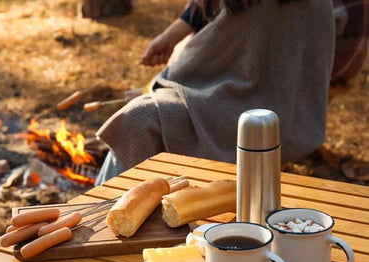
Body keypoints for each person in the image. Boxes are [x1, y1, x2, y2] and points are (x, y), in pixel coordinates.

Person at [94, 0, 335, 185]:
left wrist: (158, 92)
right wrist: (171, 35)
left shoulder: (263, 6)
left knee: (136, 121)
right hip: (278, 104)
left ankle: (93, 222)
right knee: (144, 112)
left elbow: (203, 62)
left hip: (253, 107)